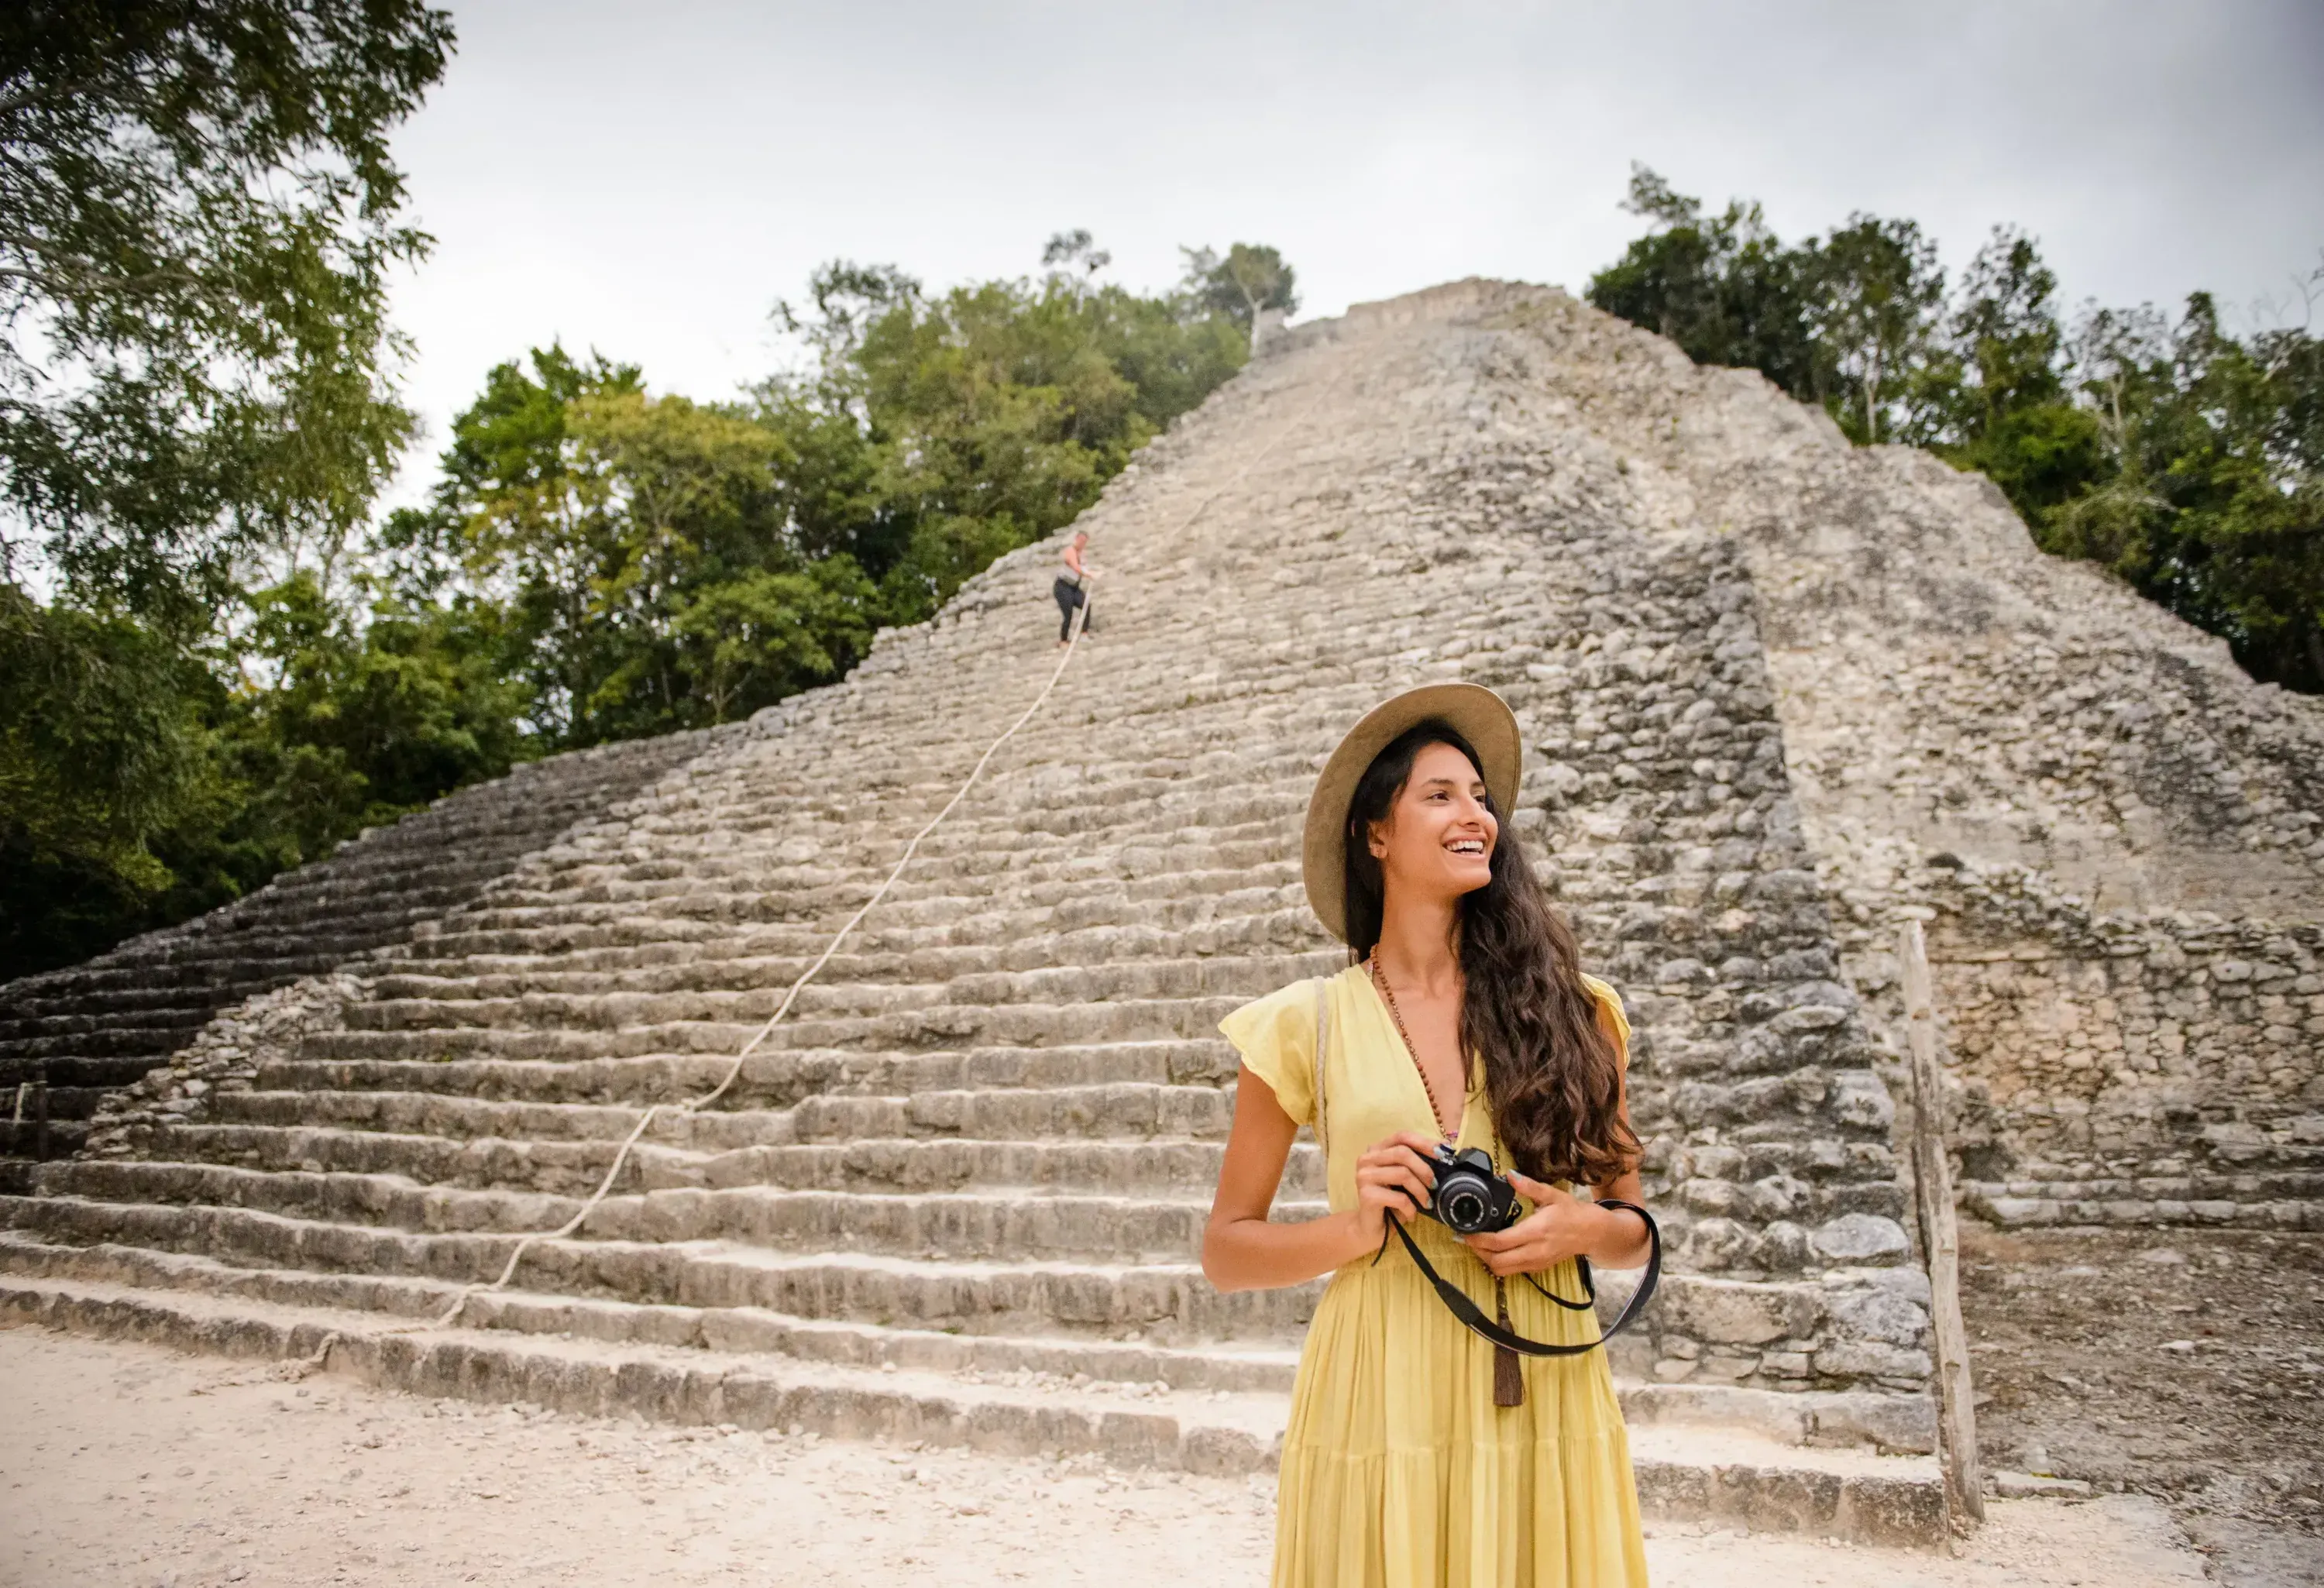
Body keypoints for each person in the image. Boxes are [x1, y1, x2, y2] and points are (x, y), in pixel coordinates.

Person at [1203, 682, 1655, 1588]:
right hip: (1380, 1383)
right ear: (1377, 832)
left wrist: (1578, 1229)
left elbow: (1632, 1227)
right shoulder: (1304, 1024)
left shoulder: (1578, 1009)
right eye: (1441, 794)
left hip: (1546, 1383)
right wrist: (1357, 1227)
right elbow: (1226, 1250)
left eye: (1482, 798)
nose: (1475, 815)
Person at [1054, 530, 1095, 646]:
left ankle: (1084, 634)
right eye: (1081, 541)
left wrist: (1092, 573)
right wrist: (1088, 574)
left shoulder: (1082, 554)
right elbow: (1075, 567)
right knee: (1068, 613)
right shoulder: (1070, 551)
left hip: (1074, 586)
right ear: (1077, 539)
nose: (1083, 544)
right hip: (1063, 586)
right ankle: (1063, 639)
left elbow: (1084, 567)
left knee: (1086, 605)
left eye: (1085, 542)